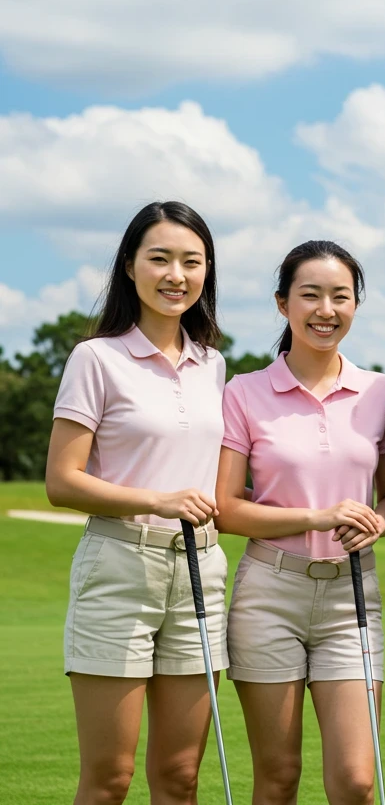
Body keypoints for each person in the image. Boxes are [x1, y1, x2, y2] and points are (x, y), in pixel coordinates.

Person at [45, 201, 229, 805]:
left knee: (179, 777)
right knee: (110, 778)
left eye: (191, 261)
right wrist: (158, 500)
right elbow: (62, 481)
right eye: (160, 258)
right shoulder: (96, 358)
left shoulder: (213, 365)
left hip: (201, 570)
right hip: (121, 565)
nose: (176, 274)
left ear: (206, 273)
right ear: (129, 267)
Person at [215, 240, 385, 805]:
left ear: (355, 305)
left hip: (352, 596)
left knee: (355, 781)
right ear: (283, 305)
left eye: (341, 296)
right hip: (269, 594)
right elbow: (226, 507)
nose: (327, 309)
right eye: (311, 295)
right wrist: (318, 516)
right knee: (277, 779)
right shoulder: (244, 392)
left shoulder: (380, 391)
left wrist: (379, 522)